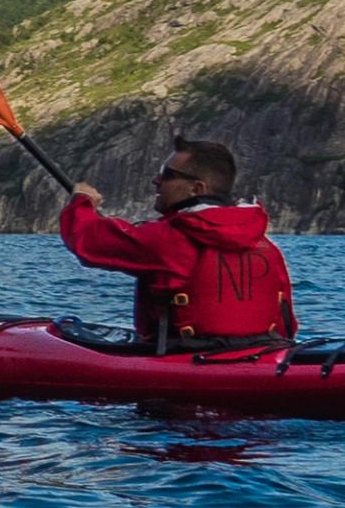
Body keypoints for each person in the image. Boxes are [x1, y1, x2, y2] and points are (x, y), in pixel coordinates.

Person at [59, 136, 298, 350]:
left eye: (168, 175)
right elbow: (287, 322)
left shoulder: (168, 240)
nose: (157, 180)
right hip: (266, 353)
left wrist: (82, 202)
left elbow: (87, 241)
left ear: (197, 188)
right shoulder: (266, 246)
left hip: (184, 358)